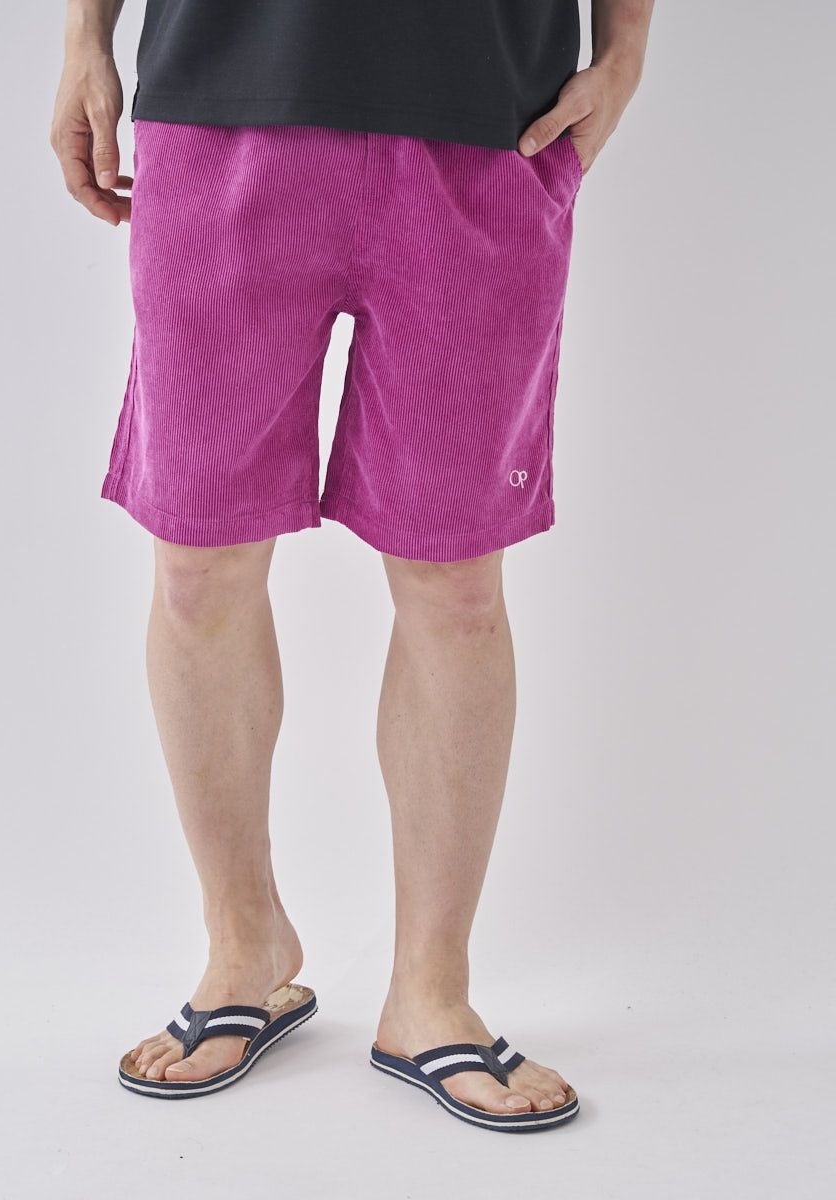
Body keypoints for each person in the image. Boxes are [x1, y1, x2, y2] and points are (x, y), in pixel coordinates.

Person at [51, 0, 653, 1131]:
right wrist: (86, 38)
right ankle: (244, 945)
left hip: (486, 118)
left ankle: (431, 990)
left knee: (457, 585)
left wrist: (627, 52)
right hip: (221, 101)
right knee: (198, 564)